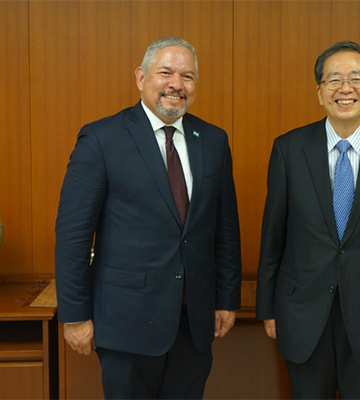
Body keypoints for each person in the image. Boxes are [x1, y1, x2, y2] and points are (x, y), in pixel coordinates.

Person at [55, 36, 242, 400]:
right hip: (126, 322)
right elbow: (74, 234)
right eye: (166, 73)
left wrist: (226, 299)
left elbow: (225, 229)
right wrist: (75, 315)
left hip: (194, 320)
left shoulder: (213, 140)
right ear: (141, 77)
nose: (176, 84)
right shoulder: (101, 138)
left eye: (187, 76)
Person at [256, 40, 360, 400]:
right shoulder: (289, 149)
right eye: (334, 80)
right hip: (302, 316)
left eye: (356, 79)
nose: (345, 88)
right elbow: (273, 236)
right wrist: (267, 308)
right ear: (319, 92)